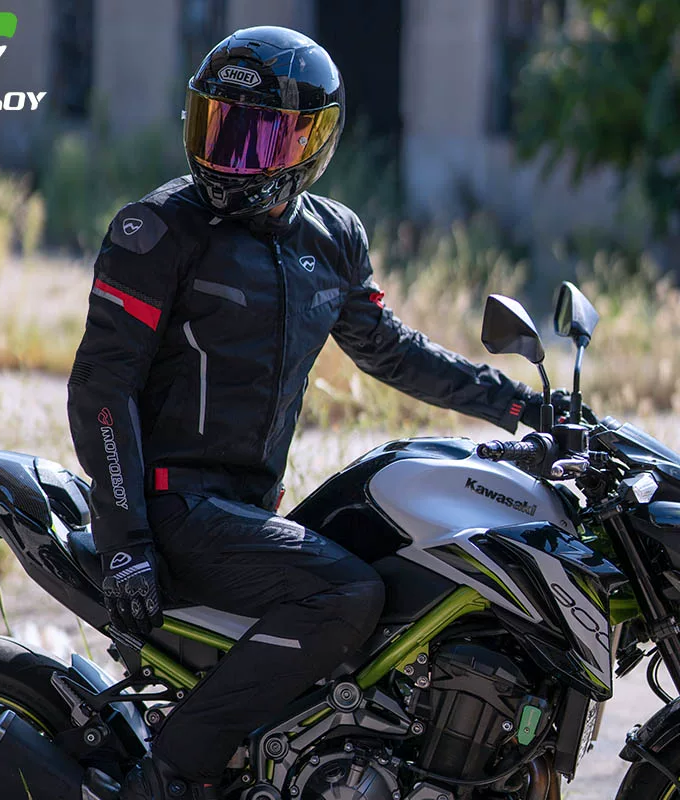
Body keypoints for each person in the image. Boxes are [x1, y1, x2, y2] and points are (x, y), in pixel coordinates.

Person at [67, 25, 557, 800]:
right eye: (218, 128)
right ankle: (167, 777)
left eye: (256, 139)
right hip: (171, 508)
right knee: (346, 594)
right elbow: (102, 386)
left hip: (246, 510)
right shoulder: (156, 229)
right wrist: (126, 541)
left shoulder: (334, 239)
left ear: (313, 143)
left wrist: (521, 403)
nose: (230, 156)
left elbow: (392, 351)